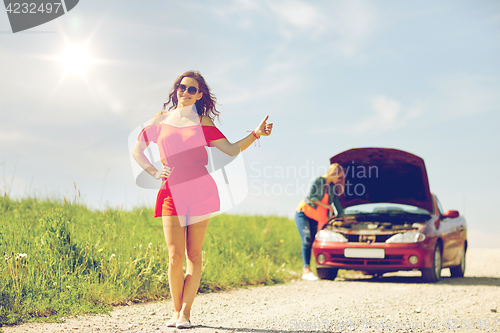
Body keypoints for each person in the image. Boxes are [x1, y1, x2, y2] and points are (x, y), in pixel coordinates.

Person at [132, 71, 273, 328]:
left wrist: (255, 134)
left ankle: (185, 313)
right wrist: (153, 171)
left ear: (199, 95)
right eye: (180, 87)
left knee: (193, 255)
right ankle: (175, 312)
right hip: (171, 191)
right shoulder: (160, 121)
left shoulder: (203, 123)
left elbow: (230, 150)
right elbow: (137, 150)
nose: (183, 92)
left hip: (200, 189)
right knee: (174, 256)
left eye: (190, 89)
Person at [295, 163, 345, 281]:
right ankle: (306, 270)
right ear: (333, 173)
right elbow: (310, 197)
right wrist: (326, 206)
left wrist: (343, 216)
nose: (339, 180)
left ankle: (311, 270)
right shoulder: (318, 180)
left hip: (315, 218)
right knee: (306, 240)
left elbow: (336, 203)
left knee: (312, 242)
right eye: (339, 177)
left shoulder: (332, 187)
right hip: (303, 213)